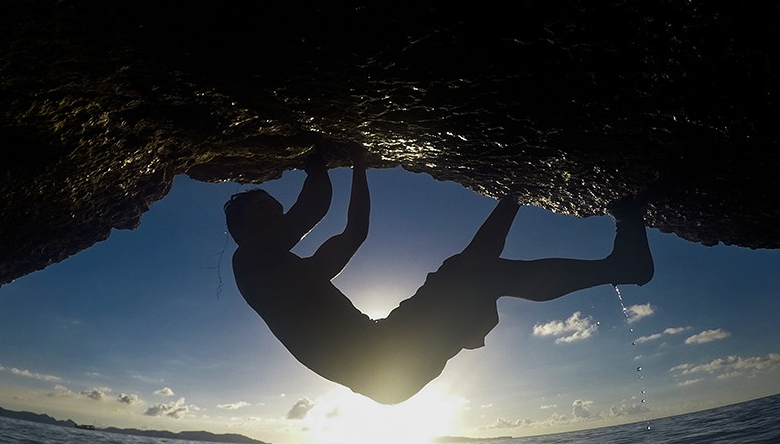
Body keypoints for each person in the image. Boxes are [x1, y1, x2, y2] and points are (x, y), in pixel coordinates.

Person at [225, 145, 654, 405]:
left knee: (476, 273)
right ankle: (528, 194)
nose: (274, 205)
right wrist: (317, 158)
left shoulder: (297, 275)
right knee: (473, 272)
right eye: (261, 204)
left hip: (388, 360)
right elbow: (314, 206)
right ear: (244, 228)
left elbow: (355, 232)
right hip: (385, 359)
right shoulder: (249, 260)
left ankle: (529, 197)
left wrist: (358, 164)